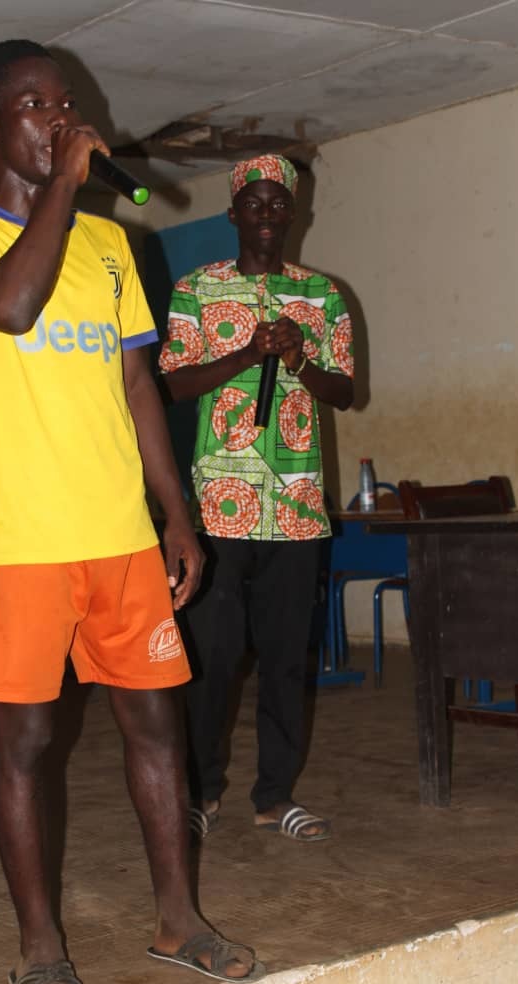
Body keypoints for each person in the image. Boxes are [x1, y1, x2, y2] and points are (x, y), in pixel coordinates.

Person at [0, 39, 264, 984]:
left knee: (156, 728)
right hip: (24, 540)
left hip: (121, 538)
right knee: (27, 742)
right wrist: (67, 186)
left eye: (65, 103)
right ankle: (40, 949)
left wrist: (176, 512)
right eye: (35, 105)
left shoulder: (111, 246)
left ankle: (179, 922)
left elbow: (137, 382)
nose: (60, 119)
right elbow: (13, 304)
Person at [159, 154, 354, 845]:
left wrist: (299, 358)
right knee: (212, 659)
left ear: (294, 213)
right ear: (233, 213)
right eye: (254, 203)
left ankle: (276, 796)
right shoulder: (197, 289)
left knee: (286, 661)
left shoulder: (322, 295)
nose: (267, 215)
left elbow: (344, 392)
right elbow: (173, 384)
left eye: (278, 204)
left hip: (297, 508)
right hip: (219, 505)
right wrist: (247, 354)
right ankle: (202, 793)